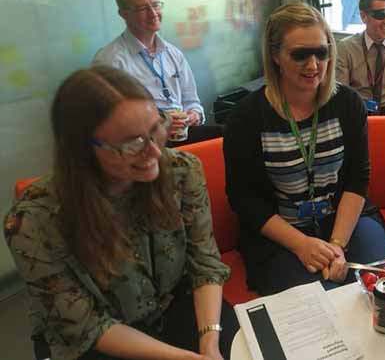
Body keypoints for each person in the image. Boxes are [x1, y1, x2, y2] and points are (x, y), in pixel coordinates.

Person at [4, 66, 238, 360]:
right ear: (82, 150)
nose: (154, 153)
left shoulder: (182, 170)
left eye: (156, 129)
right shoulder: (32, 221)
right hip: (96, 338)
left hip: (173, 303)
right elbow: (85, 326)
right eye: (132, 143)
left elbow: (204, 264)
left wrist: (209, 341)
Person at [223, 2, 385, 296]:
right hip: (282, 233)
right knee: (317, 304)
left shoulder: (348, 103)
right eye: (300, 54)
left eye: (321, 52)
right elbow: (244, 200)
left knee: (376, 288)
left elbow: (357, 177)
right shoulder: (246, 117)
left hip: (344, 219)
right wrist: (301, 244)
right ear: (275, 55)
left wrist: (337, 246)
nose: (313, 66)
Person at [92, 0, 211, 144]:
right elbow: (109, 120)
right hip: (145, 142)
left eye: (155, 5)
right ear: (124, 14)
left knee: (227, 135)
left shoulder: (173, 53)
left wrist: (193, 115)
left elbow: (192, 102)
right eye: (142, 8)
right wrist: (157, 123)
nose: (153, 13)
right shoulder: (110, 61)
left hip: (182, 133)